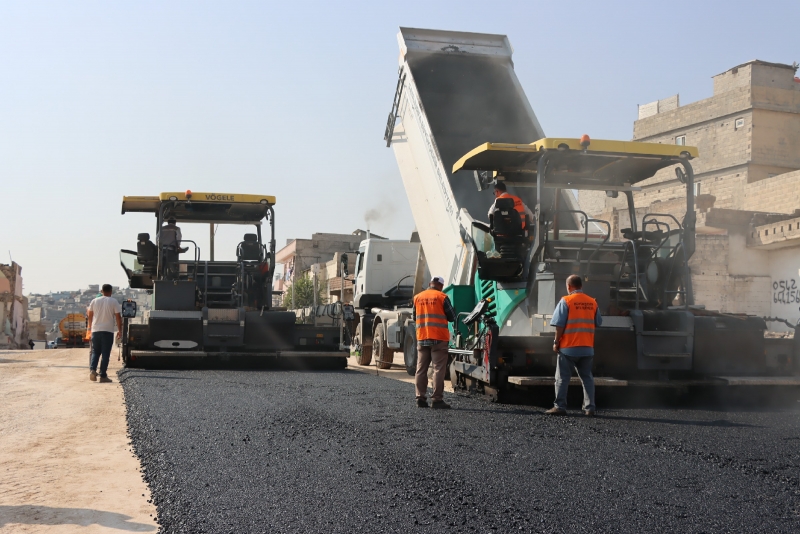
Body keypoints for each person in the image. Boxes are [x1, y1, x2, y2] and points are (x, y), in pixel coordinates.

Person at [546, 274, 602, 416]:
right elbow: (598, 322)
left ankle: (560, 407)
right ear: (581, 286)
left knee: (562, 378)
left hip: (568, 348)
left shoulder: (566, 301)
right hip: (587, 348)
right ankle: (590, 408)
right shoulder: (592, 302)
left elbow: (559, 325)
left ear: (569, 286)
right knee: (587, 378)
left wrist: (556, 342)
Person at [413, 276, 456, 409]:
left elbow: (415, 317)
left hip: (422, 337)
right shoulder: (442, 297)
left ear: (430, 284)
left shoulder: (417, 297)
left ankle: (420, 398)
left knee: (421, 369)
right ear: (441, 286)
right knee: (438, 369)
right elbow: (452, 317)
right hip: (438, 338)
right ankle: (437, 400)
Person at [87, 284, 122, 383]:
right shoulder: (114, 301)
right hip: (108, 331)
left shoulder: (94, 301)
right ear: (111, 291)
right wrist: (120, 330)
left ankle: (93, 370)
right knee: (105, 354)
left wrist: (90, 327)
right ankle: (103, 375)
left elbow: (90, 315)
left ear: (101, 291)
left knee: (95, 352)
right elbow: (118, 317)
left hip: (95, 330)